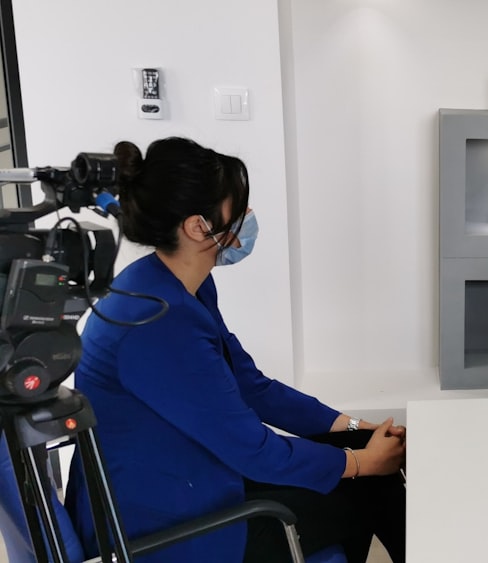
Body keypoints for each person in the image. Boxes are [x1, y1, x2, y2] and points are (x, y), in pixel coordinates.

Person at [64, 137, 406, 563]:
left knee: (368, 471)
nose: (246, 217)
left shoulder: (174, 286)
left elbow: (251, 386)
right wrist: (360, 462)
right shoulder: (153, 322)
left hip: (197, 475)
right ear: (196, 226)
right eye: (236, 207)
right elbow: (254, 450)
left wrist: (351, 428)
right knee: (364, 493)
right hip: (169, 525)